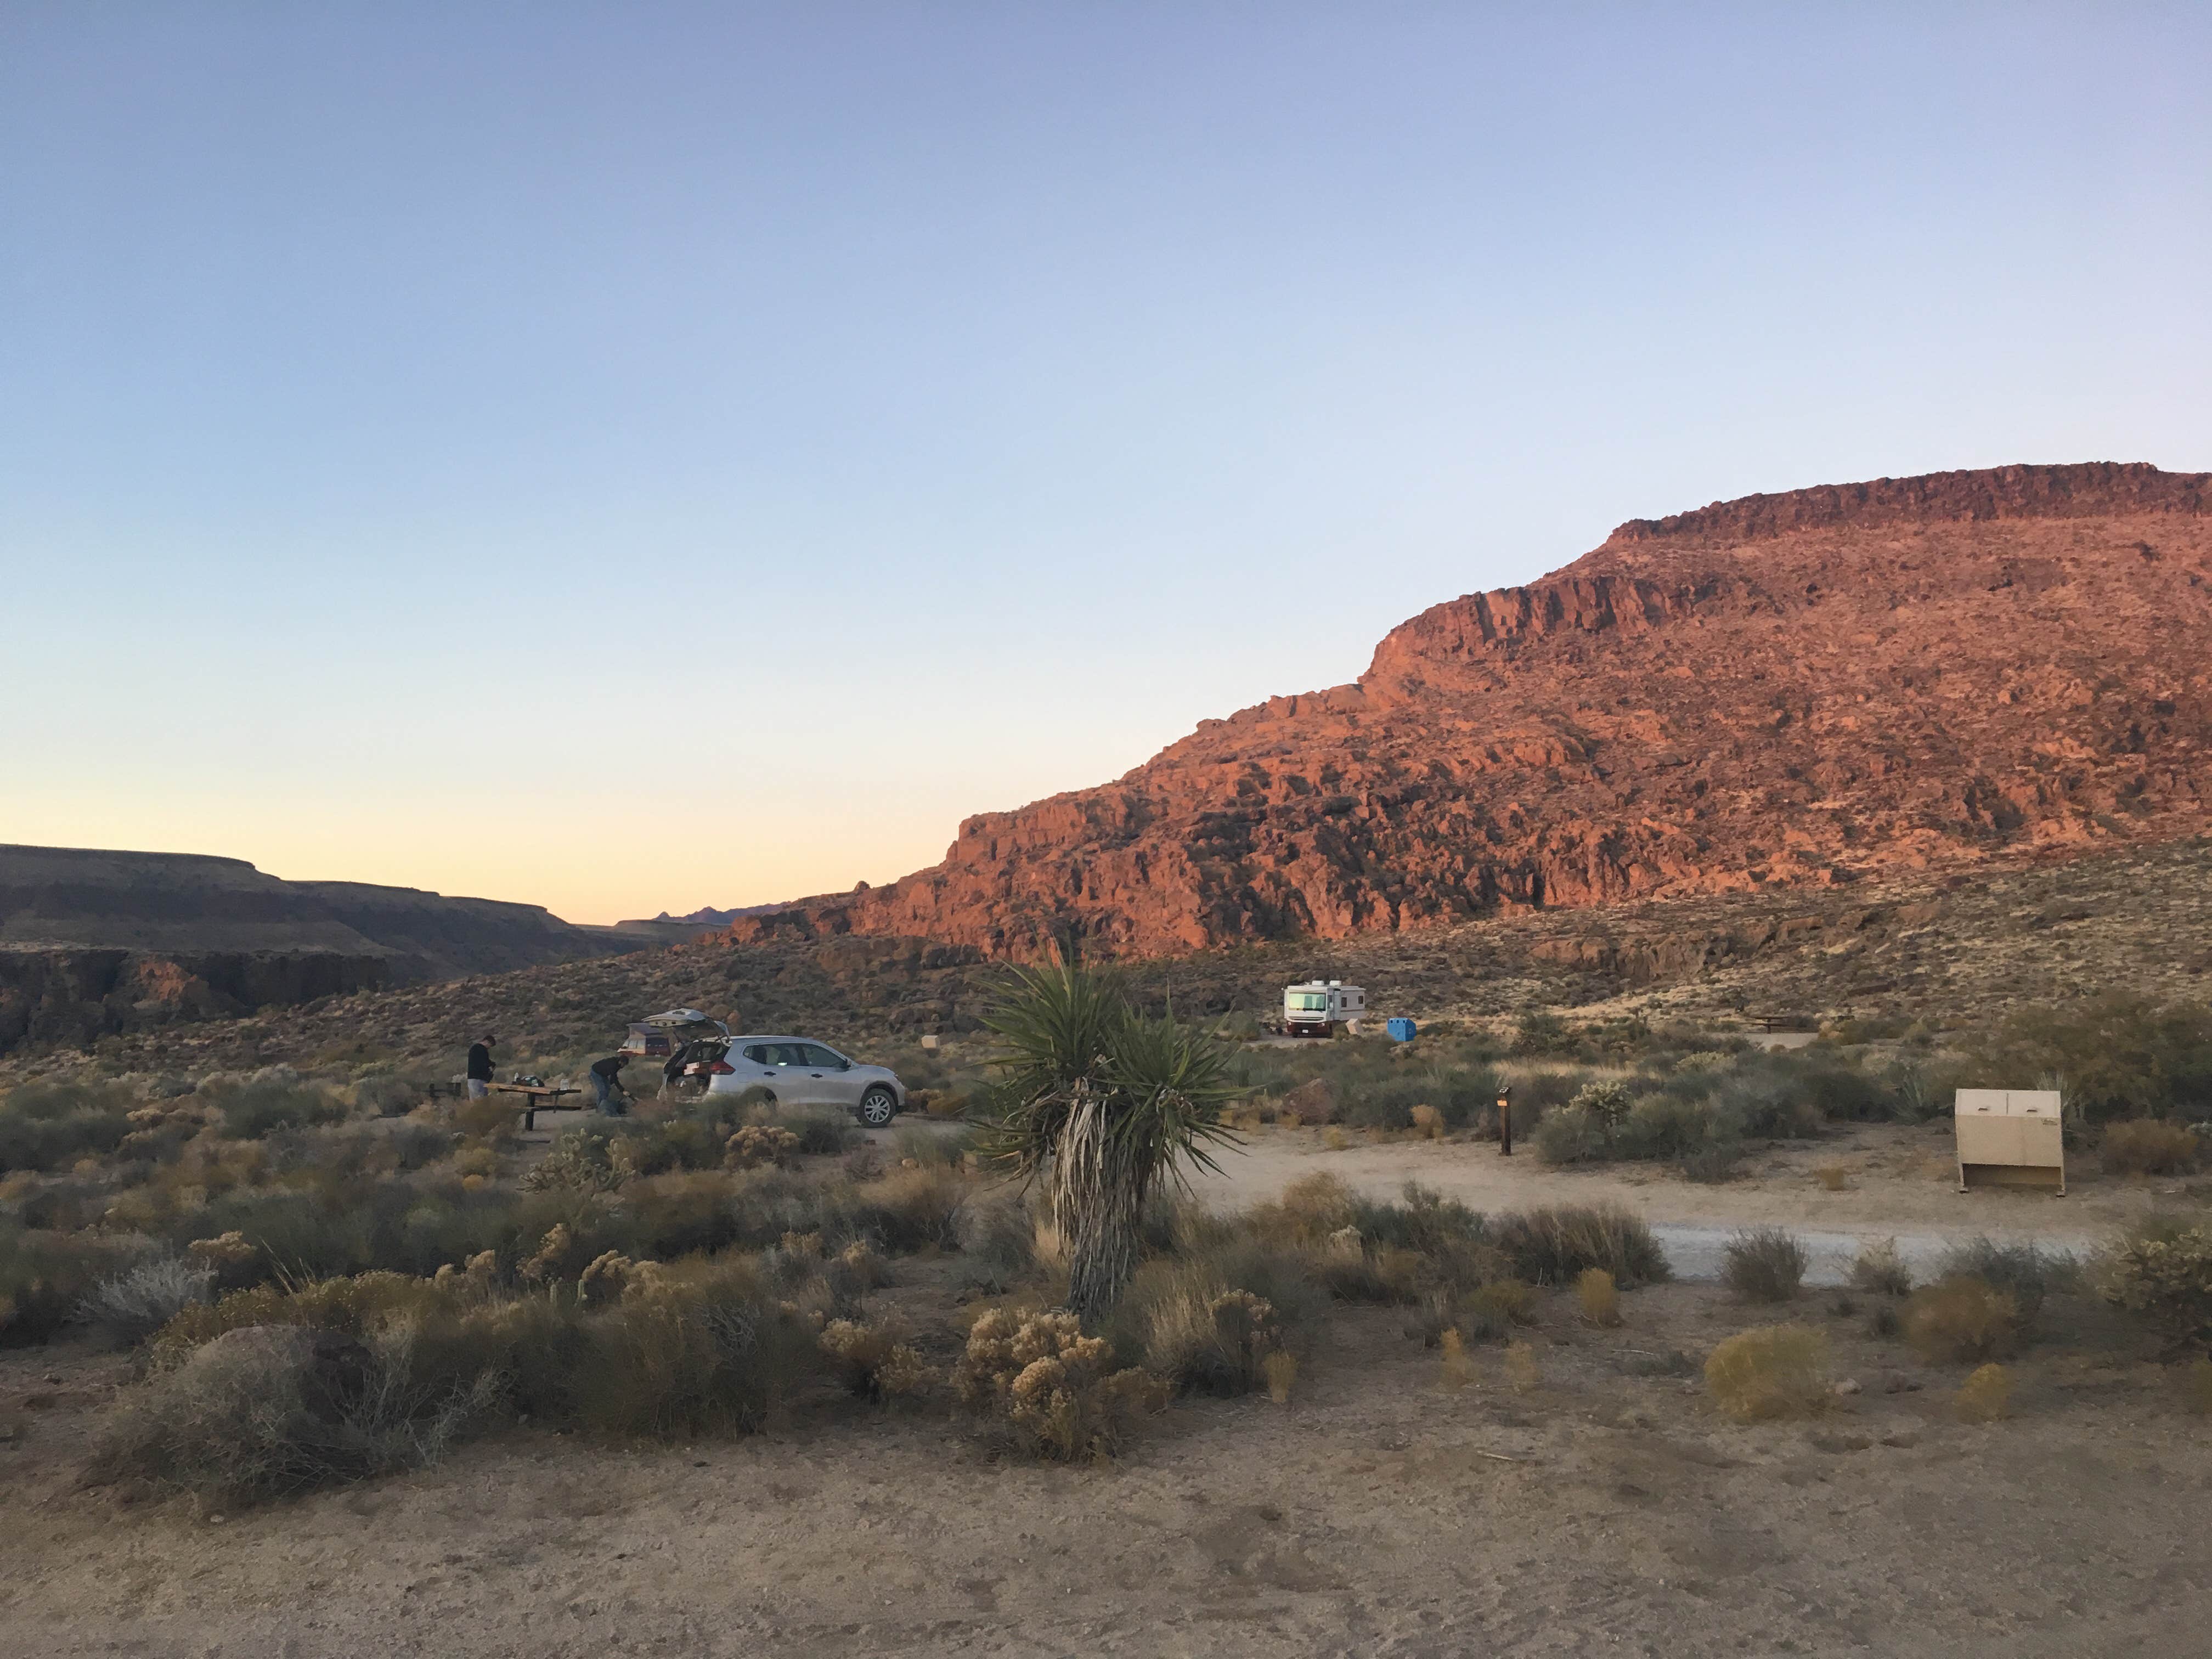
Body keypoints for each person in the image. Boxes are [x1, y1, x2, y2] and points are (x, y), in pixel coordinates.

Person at [589, 1052, 631, 1117]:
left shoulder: (617, 1065)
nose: (624, 1066)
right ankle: (600, 1108)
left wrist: (610, 1083)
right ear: (621, 1062)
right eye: (624, 1064)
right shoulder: (613, 1065)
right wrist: (622, 1090)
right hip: (596, 1073)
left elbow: (613, 1076)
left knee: (608, 1088)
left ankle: (603, 1105)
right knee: (603, 1090)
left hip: (603, 1074)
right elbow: (614, 1078)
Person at [465, 1034, 496, 1101]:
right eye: (490, 1046)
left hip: (473, 1078)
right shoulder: (482, 1050)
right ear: (487, 1042)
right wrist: (491, 1066)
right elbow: (485, 1062)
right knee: (480, 1100)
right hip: (479, 1078)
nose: (489, 1048)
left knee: (475, 1100)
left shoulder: (474, 1048)